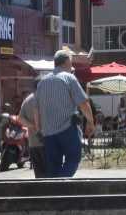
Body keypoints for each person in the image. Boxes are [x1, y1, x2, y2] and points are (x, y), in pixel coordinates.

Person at [35, 49, 95, 177]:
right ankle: (61, 183)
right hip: (67, 129)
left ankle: (55, 187)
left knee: (53, 166)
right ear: (67, 61)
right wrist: (90, 122)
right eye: (71, 61)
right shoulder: (69, 78)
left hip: (48, 132)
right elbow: (83, 103)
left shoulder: (42, 82)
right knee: (73, 158)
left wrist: (39, 129)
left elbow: (36, 109)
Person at [17, 92, 46, 177]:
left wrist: (32, 126)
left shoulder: (28, 100)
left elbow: (20, 118)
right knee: (52, 176)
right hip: (48, 142)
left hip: (33, 143)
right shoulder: (48, 96)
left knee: (39, 175)